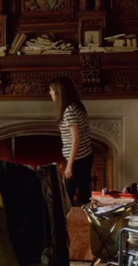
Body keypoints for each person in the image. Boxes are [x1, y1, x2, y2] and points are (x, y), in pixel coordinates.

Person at [49, 77, 93, 205]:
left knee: (68, 195)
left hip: (77, 159)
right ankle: (83, 221)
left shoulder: (69, 111)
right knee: (84, 194)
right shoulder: (77, 106)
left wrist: (69, 165)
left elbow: (75, 139)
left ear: (59, 92)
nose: (50, 93)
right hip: (85, 156)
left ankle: (68, 222)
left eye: (51, 90)